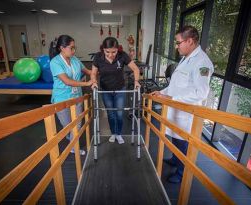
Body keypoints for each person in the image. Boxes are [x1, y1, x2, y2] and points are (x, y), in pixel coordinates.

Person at [151, 25, 214, 183]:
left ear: (190, 41)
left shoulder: (202, 63)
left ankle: (182, 173)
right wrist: (163, 93)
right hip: (175, 109)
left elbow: (201, 92)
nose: (176, 46)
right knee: (176, 139)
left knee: (183, 143)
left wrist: (172, 99)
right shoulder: (186, 57)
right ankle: (175, 159)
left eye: (178, 43)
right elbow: (175, 85)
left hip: (186, 113)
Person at [49, 35, 95, 155]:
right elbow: (67, 81)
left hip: (77, 97)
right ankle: (72, 140)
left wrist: (96, 72)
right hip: (62, 98)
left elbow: (88, 71)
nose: (74, 51)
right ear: (62, 48)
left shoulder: (75, 59)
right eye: (71, 48)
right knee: (68, 126)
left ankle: (73, 146)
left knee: (77, 124)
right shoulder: (55, 62)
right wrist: (86, 83)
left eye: (75, 48)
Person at [91, 37, 141, 144]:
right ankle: (113, 133)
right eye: (107, 52)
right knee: (110, 114)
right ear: (103, 50)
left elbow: (136, 69)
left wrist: (136, 81)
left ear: (118, 49)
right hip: (105, 90)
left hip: (120, 89)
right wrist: (94, 82)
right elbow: (93, 73)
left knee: (119, 113)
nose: (110, 54)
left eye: (114, 51)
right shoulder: (98, 57)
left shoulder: (122, 56)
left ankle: (118, 134)